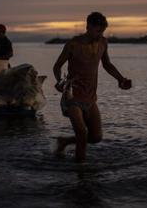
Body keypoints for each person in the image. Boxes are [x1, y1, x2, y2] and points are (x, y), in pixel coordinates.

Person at [53, 12, 132, 163]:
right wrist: (59, 81)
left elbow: (107, 64)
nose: (99, 34)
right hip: (72, 95)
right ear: (87, 27)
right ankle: (81, 173)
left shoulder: (103, 43)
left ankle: (64, 142)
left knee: (96, 137)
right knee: (82, 133)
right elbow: (57, 67)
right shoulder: (73, 45)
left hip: (90, 97)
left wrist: (120, 79)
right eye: (97, 31)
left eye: (102, 31)